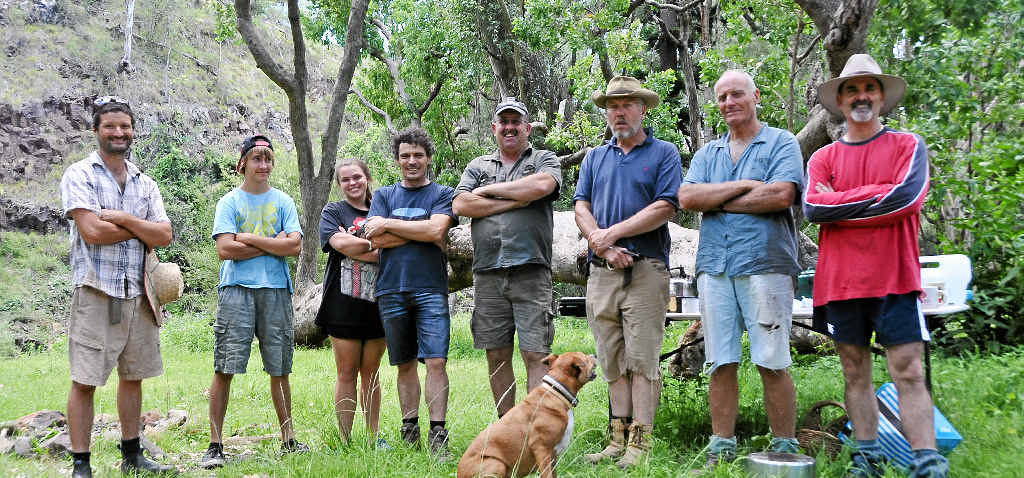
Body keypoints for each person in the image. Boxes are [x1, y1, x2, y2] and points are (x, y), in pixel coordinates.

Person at [804, 54, 947, 478]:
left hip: (895, 279)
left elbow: (905, 200)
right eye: (852, 89)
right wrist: (876, 193)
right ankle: (866, 457)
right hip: (840, 282)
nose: (861, 96)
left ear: (882, 98)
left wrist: (840, 202)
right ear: (840, 101)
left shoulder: (909, 146)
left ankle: (927, 461)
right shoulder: (823, 158)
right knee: (854, 371)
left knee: (909, 370)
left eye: (869, 88)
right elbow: (813, 208)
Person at [677, 70, 804, 468]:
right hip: (715, 266)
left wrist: (717, 201)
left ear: (756, 96)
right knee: (720, 360)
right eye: (722, 97)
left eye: (737, 94)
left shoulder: (781, 142)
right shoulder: (708, 154)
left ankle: (784, 448)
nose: (729, 102)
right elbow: (687, 197)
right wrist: (747, 185)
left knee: (772, 358)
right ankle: (721, 447)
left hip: (766, 264)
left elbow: (781, 194)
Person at [59, 96, 177, 478]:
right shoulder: (80, 174)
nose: (118, 132)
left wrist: (123, 219)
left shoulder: (145, 182)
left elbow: (165, 235)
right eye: (109, 126)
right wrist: (141, 229)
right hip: (96, 291)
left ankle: (132, 455)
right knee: (85, 380)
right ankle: (81, 464)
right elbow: (92, 232)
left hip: (139, 293)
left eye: (124, 126)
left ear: (132, 130)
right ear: (96, 130)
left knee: (133, 376)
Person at [574, 76, 681, 469]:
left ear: (643, 109)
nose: (619, 112)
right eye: (612, 106)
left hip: (645, 268)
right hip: (601, 270)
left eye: (627, 104)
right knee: (611, 359)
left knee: (642, 359)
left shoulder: (664, 153)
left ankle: (641, 444)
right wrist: (601, 244)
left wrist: (612, 234)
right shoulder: (595, 157)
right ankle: (616, 441)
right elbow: (580, 205)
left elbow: (666, 206)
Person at [201, 135, 306, 469]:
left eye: (268, 159)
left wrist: (246, 238)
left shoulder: (284, 201)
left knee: (280, 367)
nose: (263, 165)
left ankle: (289, 439)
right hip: (236, 289)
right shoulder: (229, 202)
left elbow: (295, 247)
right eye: (257, 159)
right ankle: (215, 444)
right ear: (243, 163)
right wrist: (272, 243)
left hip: (276, 290)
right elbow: (225, 249)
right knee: (225, 365)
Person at [452, 97, 562, 417]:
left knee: (536, 353)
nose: (510, 127)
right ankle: (508, 425)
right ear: (494, 128)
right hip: (488, 273)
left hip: (532, 271)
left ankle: (535, 427)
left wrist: (488, 191)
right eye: (504, 122)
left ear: (527, 128)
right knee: (497, 355)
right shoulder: (478, 166)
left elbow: (542, 186)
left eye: (516, 122)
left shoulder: (543, 159)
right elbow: (461, 205)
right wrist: (516, 200)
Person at [362, 127, 457, 460]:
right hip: (391, 289)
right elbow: (374, 239)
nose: (412, 161)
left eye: (418, 155)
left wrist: (390, 224)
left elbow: (437, 229)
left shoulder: (443, 193)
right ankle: (409, 430)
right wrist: (423, 231)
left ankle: (438, 434)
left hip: (431, 288)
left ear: (428, 158)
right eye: (405, 156)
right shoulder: (384, 195)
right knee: (404, 363)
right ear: (398, 160)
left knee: (436, 361)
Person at [314, 159, 388, 448]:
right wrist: (374, 245)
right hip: (342, 302)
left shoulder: (383, 210)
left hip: (379, 302)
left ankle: (373, 437)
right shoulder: (333, 211)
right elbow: (339, 245)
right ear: (339, 185)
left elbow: (392, 249)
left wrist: (354, 242)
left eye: (357, 177)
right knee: (346, 372)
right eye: (345, 179)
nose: (352, 183)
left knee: (372, 372)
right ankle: (344, 440)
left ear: (367, 177)